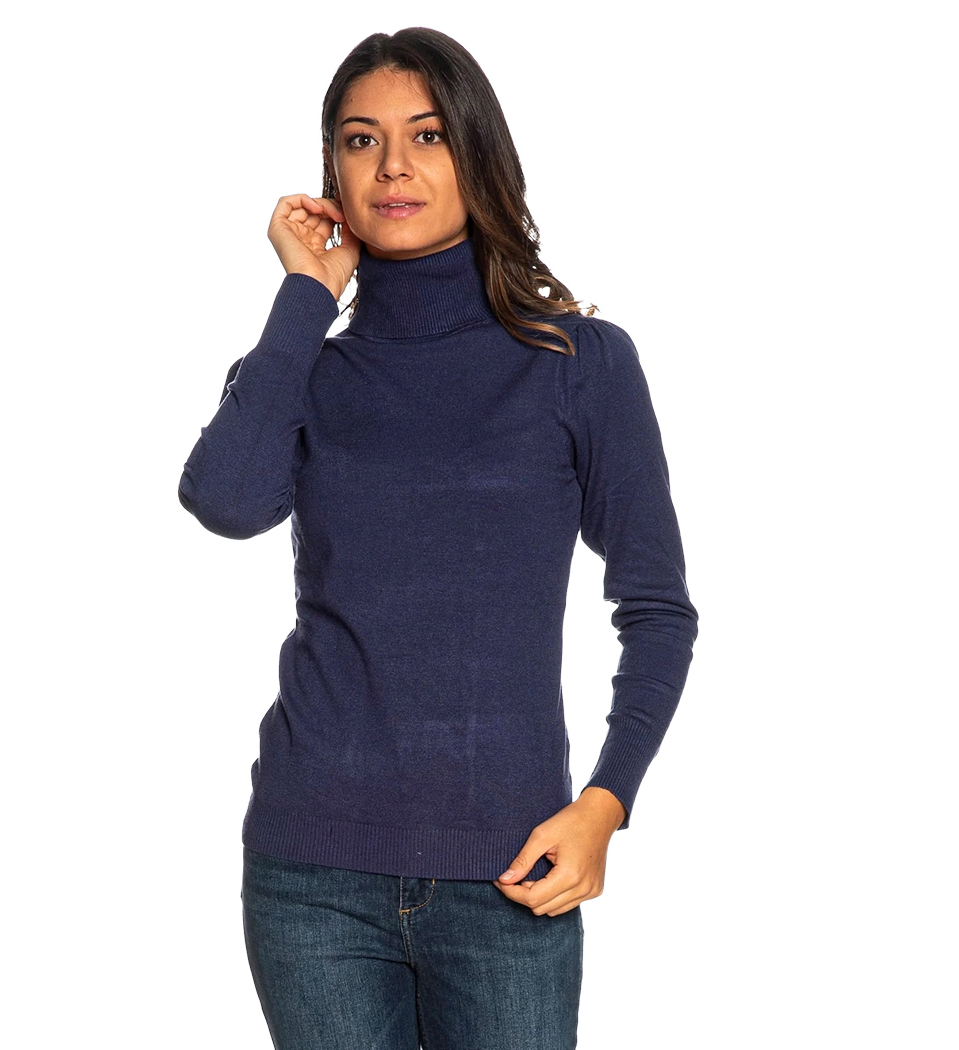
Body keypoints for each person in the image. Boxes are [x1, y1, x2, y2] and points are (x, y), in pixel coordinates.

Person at [178, 26, 698, 1050]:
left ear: (477, 153)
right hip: (311, 876)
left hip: (510, 870)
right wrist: (305, 295)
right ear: (332, 171)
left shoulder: (578, 363)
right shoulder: (308, 369)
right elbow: (224, 502)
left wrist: (605, 804)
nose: (393, 166)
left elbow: (658, 609)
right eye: (360, 140)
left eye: (426, 135)